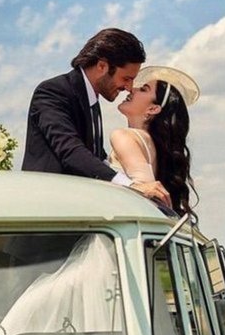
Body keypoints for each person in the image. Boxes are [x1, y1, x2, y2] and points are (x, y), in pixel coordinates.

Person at [23, 27, 171, 207]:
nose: (129, 87)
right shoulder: (53, 91)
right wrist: (132, 186)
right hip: (47, 208)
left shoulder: (92, 102)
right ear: (102, 66)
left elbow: (97, 157)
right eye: (126, 78)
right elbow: (70, 150)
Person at [109, 66, 199, 215]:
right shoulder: (151, 144)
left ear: (153, 109)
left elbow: (146, 192)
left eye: (143, 89)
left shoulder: (124, 136)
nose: (132, 90)